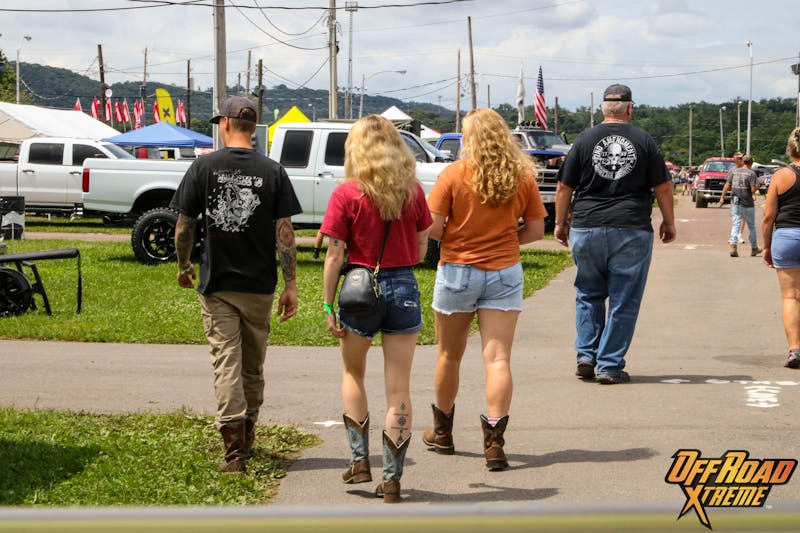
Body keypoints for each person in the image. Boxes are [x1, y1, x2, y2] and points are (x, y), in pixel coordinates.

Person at [170, 96, 302, 474]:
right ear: (252, 126)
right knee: (252, 365)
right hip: (260, 286)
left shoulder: (204, 166)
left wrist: (183, 264)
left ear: (226, 124)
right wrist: (291, 284)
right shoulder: (273, 171)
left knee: (226, 362)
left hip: (217, 284)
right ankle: (248, 433)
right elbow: (285, 232)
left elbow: (184, 225)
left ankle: (235, 453)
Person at [423, 108, 547, 471]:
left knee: (449, 355)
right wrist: (505, 242)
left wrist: (457, 239)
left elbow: (432, 226)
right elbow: (536, 231)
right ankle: (494, 442)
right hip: (505, 272)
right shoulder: (521, 177)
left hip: (457, 270)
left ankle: (442, 432)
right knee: (498, 359)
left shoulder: (453, 174)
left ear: (469, 139)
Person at [320, 115, 432, 503]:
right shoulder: (414, 192)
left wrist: (327, 303)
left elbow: (334, 255)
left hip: (358, 290)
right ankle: (393, 478)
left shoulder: (346, 193)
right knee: (399, 386)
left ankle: (358, 460)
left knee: (353, 371)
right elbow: (421, 250)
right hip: (403, 287)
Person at [554, 84, 676, 385]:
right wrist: (668, 222)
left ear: (602, 110)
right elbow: (662, 186)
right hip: (631, 226)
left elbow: (563, 187)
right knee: (624, 299)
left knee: (588, 293)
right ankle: (608, 365)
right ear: (630, 109)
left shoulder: (584, 140)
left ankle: (586, 354)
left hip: (587, 224)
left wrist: (560, 223)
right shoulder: (644, 141)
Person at [761, 127, 800, 369]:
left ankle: (795, 350)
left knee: (791, 295)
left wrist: (766, 246)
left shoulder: (781, 175)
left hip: (787, 236)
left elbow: (768, 216)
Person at [719, 154, 761, 257]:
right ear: (750, 163)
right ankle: (754, 248)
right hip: (747, 203)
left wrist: (722, 197)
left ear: (743, 161)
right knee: (751, 226)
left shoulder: (734, 171)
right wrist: (758, 186)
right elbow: (752, 190)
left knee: (736, 224)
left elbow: (727, 185)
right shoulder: (751, 173)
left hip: (736, 202)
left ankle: (733, 246)